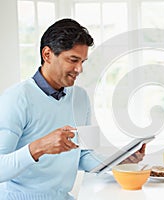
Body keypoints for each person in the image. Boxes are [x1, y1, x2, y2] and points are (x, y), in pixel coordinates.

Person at [0, 18, 145, 200]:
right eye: (73, 60)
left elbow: (82, 155)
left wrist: (119, 161)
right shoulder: (16, 98)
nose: (79, 69)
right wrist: (40, 147)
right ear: (47, 55)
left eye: (82, 61)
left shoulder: (80, 97)